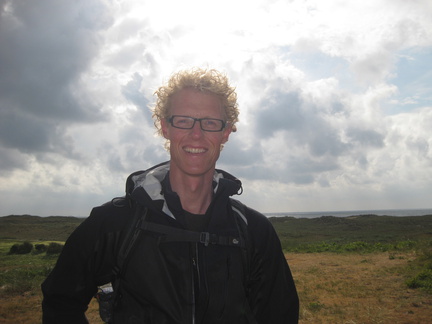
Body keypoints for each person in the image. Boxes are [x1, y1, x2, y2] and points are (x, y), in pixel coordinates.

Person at [41, 68, 299, 323]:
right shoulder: (115, 223)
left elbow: (279, 315)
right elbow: (60, 301)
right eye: (183, 120)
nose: (196, 134)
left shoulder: (254, 231)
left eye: (209, 122)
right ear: (165, 127)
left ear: (226, 132)